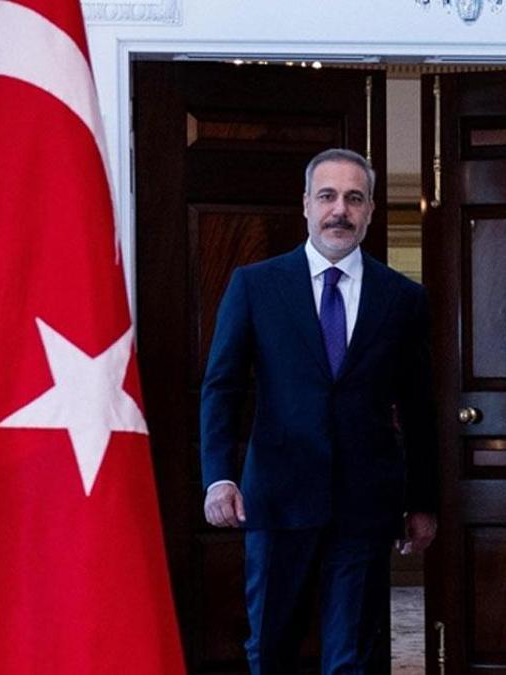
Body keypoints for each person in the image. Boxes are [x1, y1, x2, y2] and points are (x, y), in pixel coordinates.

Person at [199, 148, 439, 675]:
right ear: (306, 203)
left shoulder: (402, 297)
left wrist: (422, 500)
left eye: (354, 198)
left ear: (370, 210)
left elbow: (419, 407)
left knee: (352, 656)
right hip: (277, 500)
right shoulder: (255, 285)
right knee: (271, 649)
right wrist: (219, 477)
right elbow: (222, 387)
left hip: (365, 506)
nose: (340, 210)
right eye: (327, 196)